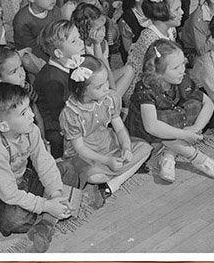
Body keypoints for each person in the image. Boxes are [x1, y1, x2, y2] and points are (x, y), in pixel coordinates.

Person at [0, 81, 74, 251]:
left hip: (23, 178)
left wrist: (55, 194)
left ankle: (45, 221)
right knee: (13, 217)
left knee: (67, 170)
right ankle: (48, 219)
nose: (32, 116)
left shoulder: (30, 130)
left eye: (29, 108)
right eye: (24, 113)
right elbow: (9, 195)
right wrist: (47, 205)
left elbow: (44, 162)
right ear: (4, 126)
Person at [126, 39, 214, 184]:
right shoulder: (145, 87)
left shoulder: (182, 79)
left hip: (172, 126)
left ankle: (169, 155)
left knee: (194, 105)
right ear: (158, 72)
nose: (182, 70)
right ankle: (199, 159)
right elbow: (151, 126)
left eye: (183, 64)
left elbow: (208, 103)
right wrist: (185, 134)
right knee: (162, 124)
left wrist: (194, 129)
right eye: (175, 68)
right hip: (147, 135)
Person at [60, 57, 151, 194]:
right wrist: (107, 161)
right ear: (82, 90)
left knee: (145, 149)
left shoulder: (109, 99)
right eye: (99, 86)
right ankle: (119, 175)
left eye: (106, 81)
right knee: (94, 176)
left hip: (108, 143)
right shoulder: (72, 113)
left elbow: (119, 128)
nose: (106, 88)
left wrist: (126, 147)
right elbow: (80, 148)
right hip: (87, 154)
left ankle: (114, 182)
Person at [33, 18, 85, 157]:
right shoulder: (53, 79)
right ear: (59, 54)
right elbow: (58, 113)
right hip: (53, 122)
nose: (81, 42)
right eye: (74, 41)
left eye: (79, 37)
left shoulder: (72, 63)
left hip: (70, 107)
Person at [73, 1, 135, 100]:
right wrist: (96, 45)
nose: (103, 32)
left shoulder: (103, 43)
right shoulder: (79, 46)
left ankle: (112, 101)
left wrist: (113, 90)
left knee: (129, 70)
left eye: (103, 27)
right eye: (98, 29)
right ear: (84, 30)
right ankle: (111, 103)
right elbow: (98, 70)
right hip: (90, 85)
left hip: (103, 80)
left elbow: (107, 69)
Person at [125, 0, 184, 83]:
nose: (182, 12)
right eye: (177, 9)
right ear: (162, 13)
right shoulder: (150, 38)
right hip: (143, 82)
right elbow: (150, 70)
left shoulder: (171, 30)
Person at [11, 0, 60, 74]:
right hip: (34, 52)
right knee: (27, 60)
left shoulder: (55, 11)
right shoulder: (22, 20)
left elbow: (61, 34)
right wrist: (53, 61)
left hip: (54, 49)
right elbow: (30, 48)